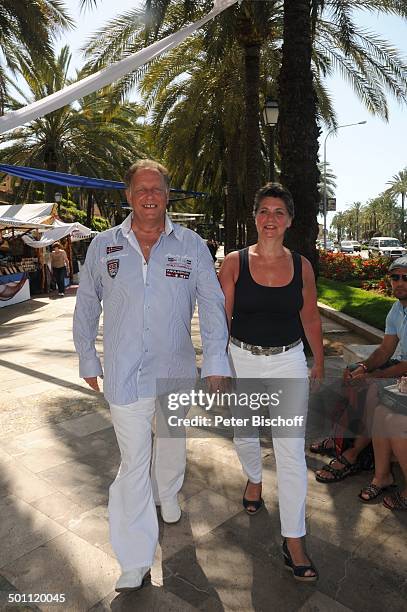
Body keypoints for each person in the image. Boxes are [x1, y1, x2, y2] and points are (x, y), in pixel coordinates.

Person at [73, 159, 231, 592]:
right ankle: (134, 558)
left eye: (156, 189)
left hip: (176, 373)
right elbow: (87, 305)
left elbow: (213, 305)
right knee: (133, 464)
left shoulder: (192, 245)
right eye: (140, 189)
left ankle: (171, 492)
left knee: (172, 446)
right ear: (128, 195)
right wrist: (88, 359)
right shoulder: (103, 247)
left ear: (167, 194)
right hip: (124, 375)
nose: (149, 196)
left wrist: (216, 361)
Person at [219, 182, 324, 582]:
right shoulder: (234, 262)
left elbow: (311, 317)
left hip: (288, 363)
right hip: (242, 360)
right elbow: (221, 318)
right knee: (244, 436)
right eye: (264, 211)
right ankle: (254, 478)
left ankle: (294, 538)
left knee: (291, 451)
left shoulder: (302, 266)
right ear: (255, 217)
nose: (270, 219)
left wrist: (317, 361)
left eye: (279, 212)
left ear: (290, 221)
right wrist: (218, 363)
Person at [314, 256, 407, 488]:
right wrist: (364, 367)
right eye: (395, 277)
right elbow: (386, 349)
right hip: (399, 364)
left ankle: (353, 454)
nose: (400, 282)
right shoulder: (397, 309)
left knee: (372, 390)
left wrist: (372, 376)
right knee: (350, 374)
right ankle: (339, 440)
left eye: (406, 277)